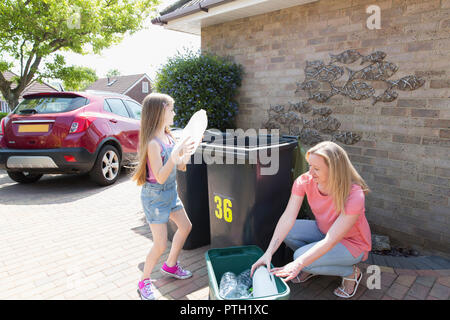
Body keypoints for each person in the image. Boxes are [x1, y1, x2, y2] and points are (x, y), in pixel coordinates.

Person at [251, 141, 372, 299]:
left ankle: (351, 272)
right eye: (310, 166)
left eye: (317, 169)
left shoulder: (354, 195)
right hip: (322, 230)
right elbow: (288, 217)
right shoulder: (305, 181)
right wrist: (268, 253)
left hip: (351, 244)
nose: (310, 172)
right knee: (290, 232)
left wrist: (299, 263)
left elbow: (330, 240)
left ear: (334, 170)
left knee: (300, 258)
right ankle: (314, 265)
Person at [132, 92, 195, 300]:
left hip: (171, 193)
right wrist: (175, 155)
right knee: (160, 244)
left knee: (186, 227)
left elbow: (182, 166)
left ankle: (170, 266)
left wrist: (187, 151)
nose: (174, 113)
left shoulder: (170, 137)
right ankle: (144, 281)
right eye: (171, 109)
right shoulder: (153, 143)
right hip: (155, 197)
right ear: (160, 112)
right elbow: (159, 177)